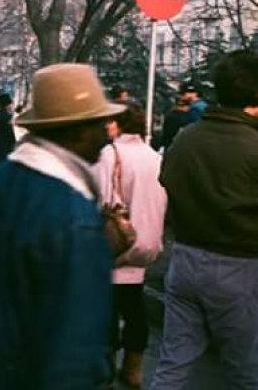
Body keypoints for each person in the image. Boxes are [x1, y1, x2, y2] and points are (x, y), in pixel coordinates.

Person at [0, 63, 125, 389]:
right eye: (101, 124)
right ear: (77, 131)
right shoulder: (72, 214)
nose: (107, 136)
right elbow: (76, 346)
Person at [150, 50, 258, 389]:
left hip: (184, 260)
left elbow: (167, 182)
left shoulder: (186, 139)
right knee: (245, 370)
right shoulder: (253, 144)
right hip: (238, 267)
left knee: (173, 365)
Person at [94, 102, 166, 388]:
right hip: (146, 242)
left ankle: (107, 364)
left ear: (117, 124)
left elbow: (100, 197)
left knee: (108, 309)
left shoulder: (109, 155)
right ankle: (134, 367)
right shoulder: (153, 156)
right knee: (134, 307)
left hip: (117, 242)